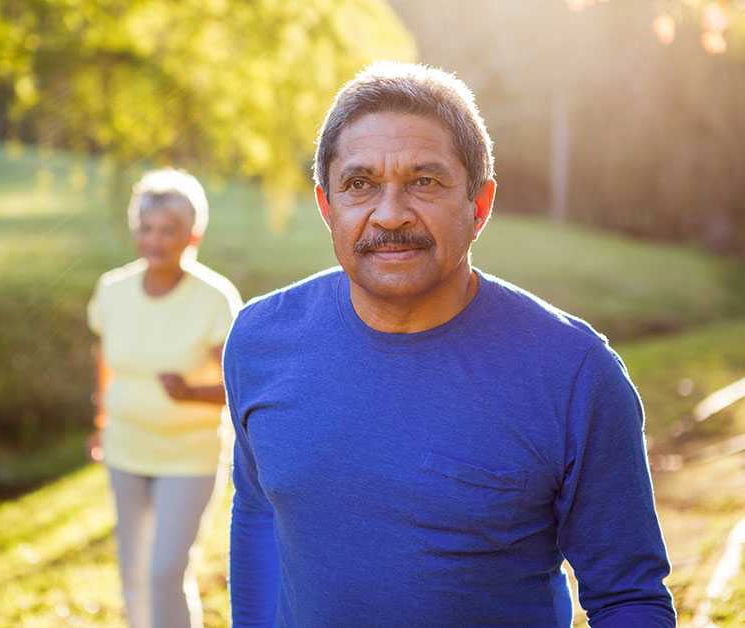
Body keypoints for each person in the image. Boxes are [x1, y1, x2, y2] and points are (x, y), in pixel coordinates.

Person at [224, 62, 675, 627]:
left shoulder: (575, 375)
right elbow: (262, 514)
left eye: (424, 181)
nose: (389, 215)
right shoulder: (260, 341)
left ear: (479, 205)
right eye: (359, 184)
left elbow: (629, 599)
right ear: (326, 205)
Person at [87, 168, 241, 628]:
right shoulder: (112, 290)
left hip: (188, 456)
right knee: (133, 571)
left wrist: (190, 392)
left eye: (167, 230)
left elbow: (241, 385)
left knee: (165, 572)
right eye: (146, 229)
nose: (154, 240)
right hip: (126, 449)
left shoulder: (215, 298)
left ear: (192, 234)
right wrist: (100, 422)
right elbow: (104, 360)